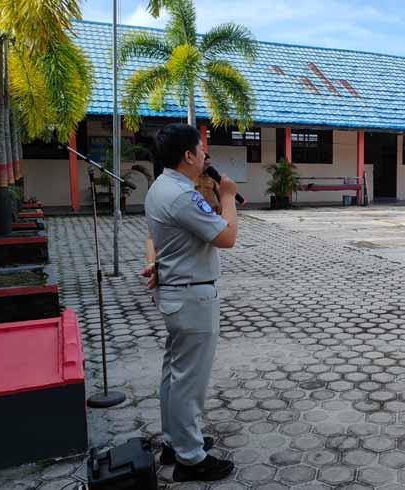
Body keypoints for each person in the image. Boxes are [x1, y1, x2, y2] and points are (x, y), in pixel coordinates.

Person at [143, 123, 239, 482]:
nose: (205, 156)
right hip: (192, 296)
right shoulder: (183, 195)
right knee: (189, 381)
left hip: (177, 292)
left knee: (174, 373)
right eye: (202, 151)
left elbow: (159, 236)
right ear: (187, 155)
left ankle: (175, 440)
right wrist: (228, 196)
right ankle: (190, 458)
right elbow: (226, 236)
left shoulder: (162, 187)